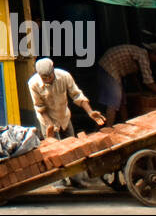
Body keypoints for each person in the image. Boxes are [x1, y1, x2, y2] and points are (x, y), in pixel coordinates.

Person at [28, 58, 105, 192]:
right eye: (43, 77)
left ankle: (76, 180)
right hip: (47, 120)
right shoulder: (33, 83)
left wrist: (90, 111)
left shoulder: (64, 76)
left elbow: (77, 95)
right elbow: (40, 107)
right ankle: (59, 182)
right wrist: (50, 126)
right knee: (54, 152)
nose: (47, 79)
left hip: (64, 117)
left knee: (72, 148)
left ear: (53, 71)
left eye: (49, 76)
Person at [96, 42, 156, 125]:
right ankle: (108, 129)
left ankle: (125, 124)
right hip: (108, 67)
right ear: (154, 54)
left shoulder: (138, 53)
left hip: (112, 68)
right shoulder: (143, 57)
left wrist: (141, 91)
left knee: (122, 99)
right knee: (114, 100)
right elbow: (149, 82)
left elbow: (133, 75)